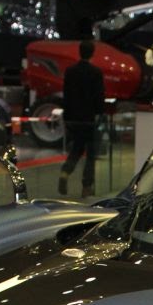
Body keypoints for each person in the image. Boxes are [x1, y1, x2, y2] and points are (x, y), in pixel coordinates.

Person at [58, 39, 105, 198]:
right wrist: (100, 114)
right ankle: (86, 186)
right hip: (89, 120)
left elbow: (66, 95)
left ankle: (65, 172)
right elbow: (99, 98)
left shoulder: (70, 71)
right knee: (91, 154)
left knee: (77, 148)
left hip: (73, 119)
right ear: (92, 53)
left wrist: (67, 117)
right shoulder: (96, 73)